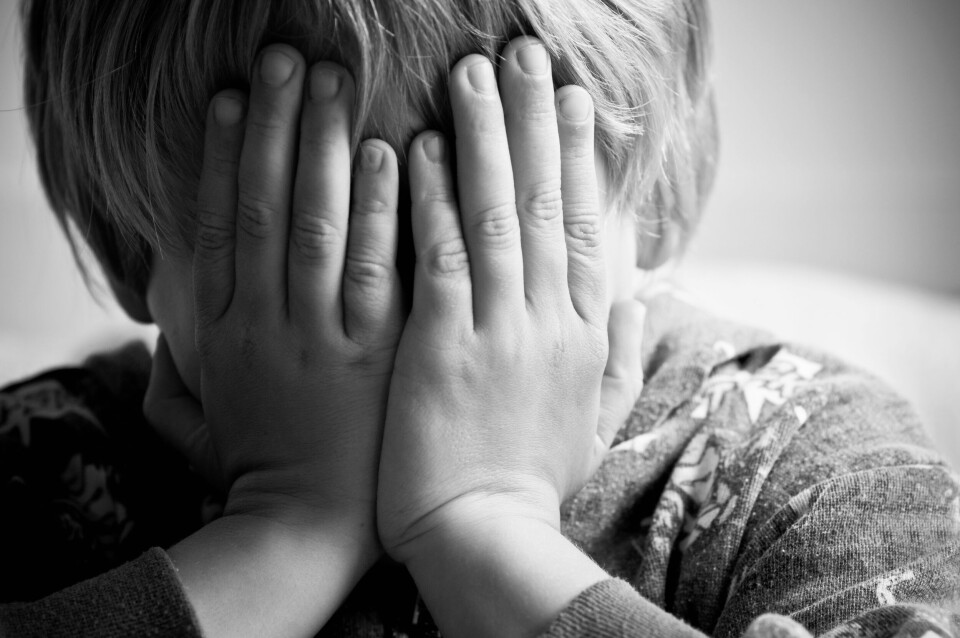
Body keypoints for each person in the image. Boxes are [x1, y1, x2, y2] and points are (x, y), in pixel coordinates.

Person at [2, 1, 957, 636]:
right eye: (322, 260)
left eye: (485, 254)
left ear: (657, 199)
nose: (424, 354)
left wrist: (489, 527)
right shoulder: (39, 463)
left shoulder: (806, 468)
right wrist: (287, 529)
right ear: (131, 254)